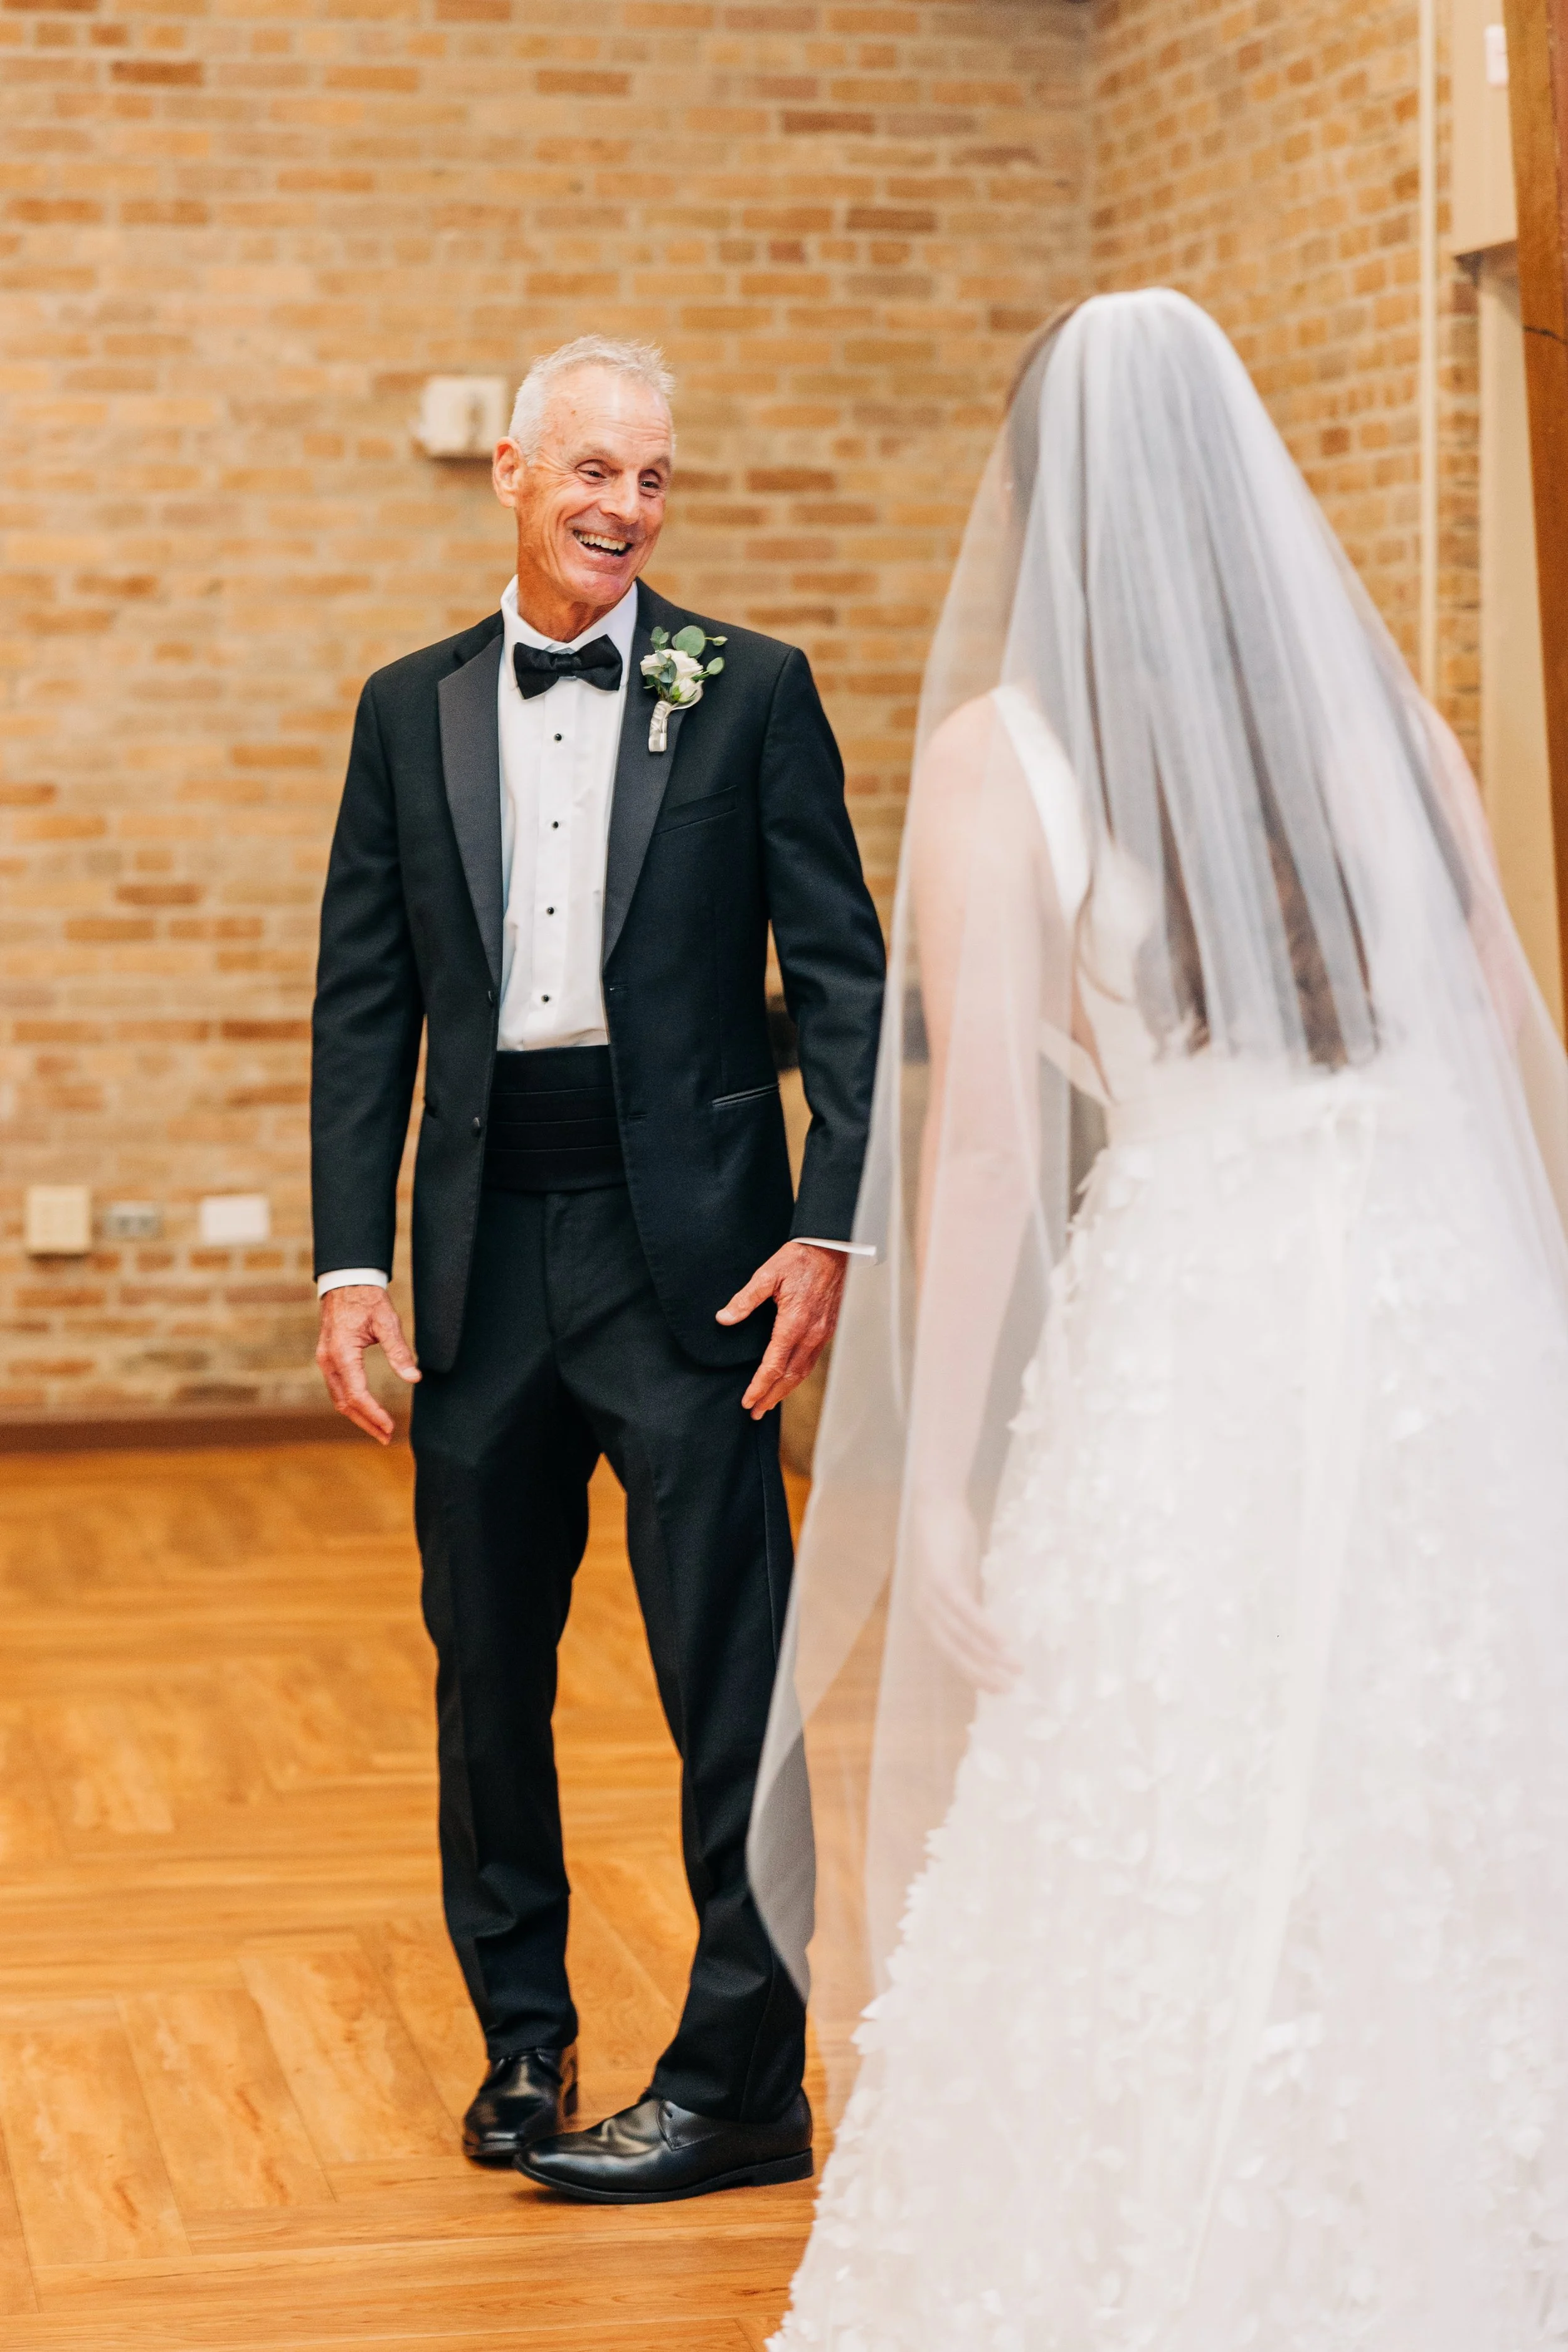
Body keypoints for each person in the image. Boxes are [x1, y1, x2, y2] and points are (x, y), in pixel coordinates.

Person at [750, 290, 1568, 2345]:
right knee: (1432, 1735)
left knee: (1174, 1768)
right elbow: (1489, 1039)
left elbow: (986, 1153)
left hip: (1200, 1311)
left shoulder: (999, 759)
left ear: (1038, 499)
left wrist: (932, 1485)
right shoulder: (1390, 725)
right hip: (1422, 1306)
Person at [310, 335, 884, 2203]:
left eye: (653, 478)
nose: (624, 507)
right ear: (508, 470)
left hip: (697, 1266)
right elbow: (365, 1003)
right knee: (487, 1670)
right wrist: (345, 1259)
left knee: (732, 1671)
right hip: (480, 1264)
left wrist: (828, 1221)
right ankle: (523, 2041)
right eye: (593, 473)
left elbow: (849, 980)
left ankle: (741, 2065)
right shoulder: (407, 710)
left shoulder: (750, 692)